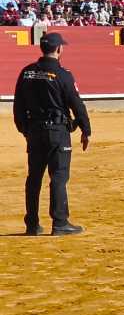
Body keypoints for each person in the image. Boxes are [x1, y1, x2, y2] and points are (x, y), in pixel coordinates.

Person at [12, 32, 89, 236]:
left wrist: (25, 130)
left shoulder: (26, 72)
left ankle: (32, 224)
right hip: (57, 131)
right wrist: (85, 129)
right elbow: (76, 104)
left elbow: (18, 106)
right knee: (59, 176)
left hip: (35, 131)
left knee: (34, 178)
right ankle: (60, 222)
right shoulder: (63, 74)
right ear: (58, 49)